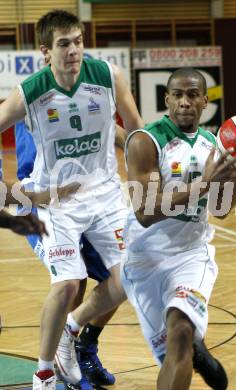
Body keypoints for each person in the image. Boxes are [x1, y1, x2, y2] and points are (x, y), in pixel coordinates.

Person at [62, 68, 236, 389]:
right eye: (177, 95)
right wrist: (204, 184)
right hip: (145, 262)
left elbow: (220, 210)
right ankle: (196, 349)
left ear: (205, 101)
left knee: (179, 332)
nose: (185, 102)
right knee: (173, 353)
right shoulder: (146, 141)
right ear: (166, 99)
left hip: (192, 256)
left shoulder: (213, 145)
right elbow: (146, 211)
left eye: (193, 95)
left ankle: (190, 340)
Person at [0, 9, 144, 390]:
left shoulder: (108, 78)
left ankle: (73, 331)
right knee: (68, 283)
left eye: (78, 41)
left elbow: (134, 131)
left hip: (105, 195)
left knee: (130, 277)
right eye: (64, 44)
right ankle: (44, 373)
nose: (74, 51)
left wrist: (150, 176)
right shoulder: (30, 93)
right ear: (45, 51)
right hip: (55, 201)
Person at [15, 120, 125, 389]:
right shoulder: (28, 102)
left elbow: (121, 135)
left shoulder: (89, 94)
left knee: (124, 275)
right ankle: (49, 370)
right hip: (40, 202)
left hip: (90, 200)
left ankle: (85, 347)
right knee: (71, 280)